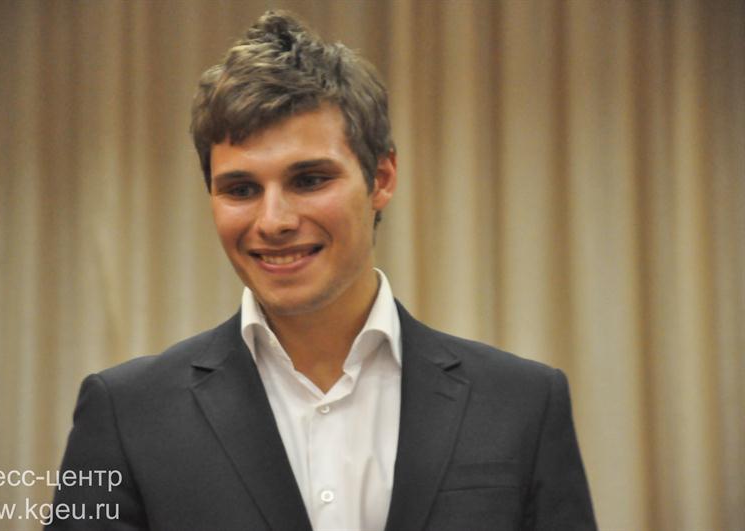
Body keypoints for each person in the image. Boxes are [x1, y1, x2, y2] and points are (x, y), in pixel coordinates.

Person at [49, 10, 596, 531]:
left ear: (381, 178)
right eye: (241, 189)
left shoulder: (521, 403)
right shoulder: (126, 414)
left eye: (309, 180)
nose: (274, 221)